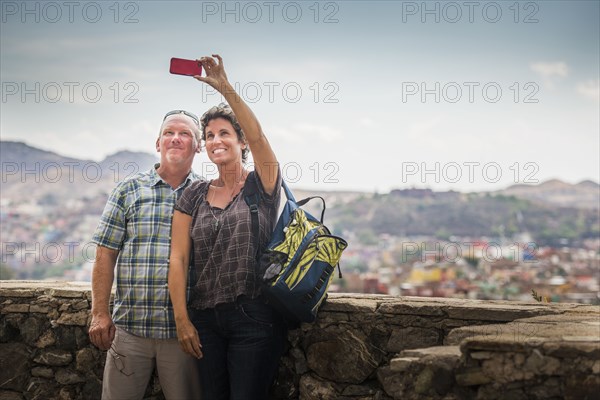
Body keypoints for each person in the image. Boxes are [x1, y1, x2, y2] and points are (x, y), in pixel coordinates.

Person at [168, 54, 286, 400]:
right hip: (205, 320)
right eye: (209, 136)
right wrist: (182, 319)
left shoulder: (261, 184)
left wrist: (225, 87)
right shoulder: (193, 193)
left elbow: (261, 137)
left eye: (224, 133)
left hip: (254, 316)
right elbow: (178, 259)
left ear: (242, 142)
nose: (216, 140)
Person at [89, 109, 203, 399]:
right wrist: (100, 313)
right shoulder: (129, 190)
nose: (175, 139)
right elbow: (105, 253)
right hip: (129, 330)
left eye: (185, 134)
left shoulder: (206, 194)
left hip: (184, 335)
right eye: (169, 133)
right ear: (158, 143)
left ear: (197, 146)